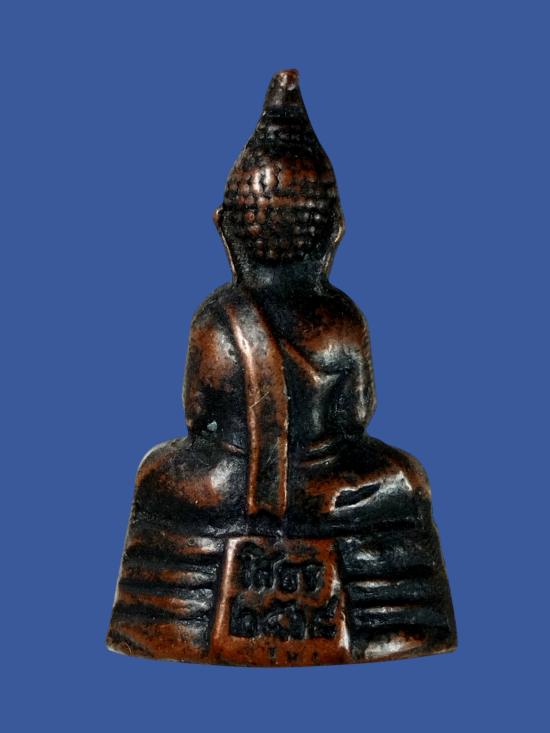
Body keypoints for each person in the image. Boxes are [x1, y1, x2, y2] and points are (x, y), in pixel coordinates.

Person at [107, 69, 456, 665]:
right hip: (325, 492)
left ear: (226, 231)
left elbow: (196, 419)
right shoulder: (341, 319)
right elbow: (357, 418)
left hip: (224, 486)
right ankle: (389, 623)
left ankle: (170, 623)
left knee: (153, 472)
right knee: (407, 478)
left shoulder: (213, 319)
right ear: (334, 235)